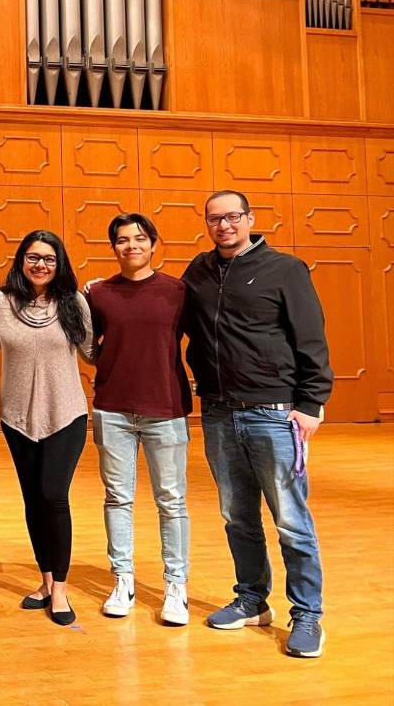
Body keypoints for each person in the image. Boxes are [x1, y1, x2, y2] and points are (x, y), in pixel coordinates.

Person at [181, 190, 332, 658]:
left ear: (249, 219)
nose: (223, 225)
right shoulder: (199, 272)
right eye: (214, 219)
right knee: (237, 516)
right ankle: (251, 598)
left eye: (232, 217)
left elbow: (310, 338)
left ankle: (307, 614)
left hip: (274, 412)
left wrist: (311, 402)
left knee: (291, 519)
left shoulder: (286, 269)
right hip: (219, 412)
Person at [86, 213, 192, 625]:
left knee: (172, 499)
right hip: (112, 409)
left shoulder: (178, 292)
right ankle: (123, 579)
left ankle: (175, 586)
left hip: (165, 408)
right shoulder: (99, 293)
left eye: (139, 238)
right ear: (113, 247)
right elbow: (88, 343)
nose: (131, 245)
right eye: (122, 240)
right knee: (118, 497)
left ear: (153, 244)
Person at [0, 231, 93, 627]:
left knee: (53, 495)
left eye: (49, 258)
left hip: (66, 414)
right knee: (33, 499)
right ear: (20, 260)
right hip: (16, 418)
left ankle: (61, 587)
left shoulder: (73, 303)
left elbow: (92, 351)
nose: (40, 265)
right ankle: (45, 580)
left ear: (59, 263)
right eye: (33, 257)